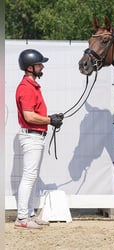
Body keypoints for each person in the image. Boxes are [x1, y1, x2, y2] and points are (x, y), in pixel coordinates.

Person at [14, 49, 64, 229]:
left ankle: (29, 214)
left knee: (32, 177)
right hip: (32, 136)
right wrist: (50, 120)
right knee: (29, 177)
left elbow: (35, 114)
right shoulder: (26, 88)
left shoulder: (32, 86)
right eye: (39, 64)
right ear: (30, 68)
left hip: (36, 136)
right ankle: (21, 218)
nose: (42, 66)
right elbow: (29, 116)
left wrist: (50, 118)